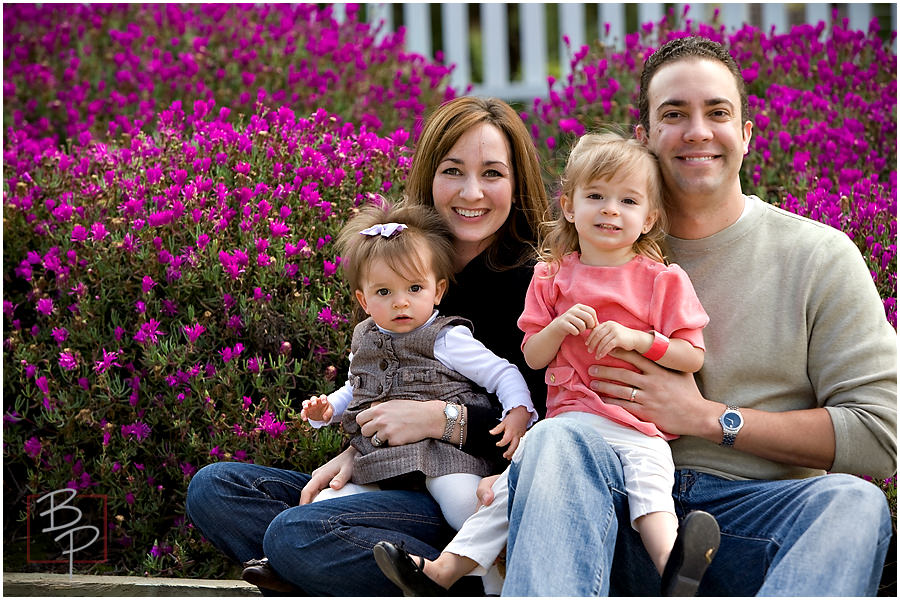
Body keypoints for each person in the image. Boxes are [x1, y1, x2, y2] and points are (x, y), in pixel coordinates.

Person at [499, 36, 897, 597]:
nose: (698, 131)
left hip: (749, 517)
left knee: (853, 502)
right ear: (644, 138)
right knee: (554, 442)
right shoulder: (584, 252)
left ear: (747, 134)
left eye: (718, 112)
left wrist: (711, 417)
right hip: (605, 511)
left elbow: (880, 434)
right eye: (674, 114)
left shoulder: (819, 257)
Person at [185, 96, 549, 595]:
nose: (472, 191)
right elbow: (372, 388)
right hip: (388, 484)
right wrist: (360, 449)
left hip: (471, 498)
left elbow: (548, 420)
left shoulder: (536, 282)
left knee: (296, 534)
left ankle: (451, 575)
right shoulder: (399, 272)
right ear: (428, 176)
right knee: (216, 490)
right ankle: (355, 572)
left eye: (492, 173)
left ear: (517, 183)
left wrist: (441, 420)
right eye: (453, 170)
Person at [372, 132, 720, 596]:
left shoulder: (661, 281)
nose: (610, 209)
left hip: (636, 425)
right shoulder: (552, 275)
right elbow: (533, 355)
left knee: (652, 488)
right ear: (570, 206)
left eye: (627, 200)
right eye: (595, 196)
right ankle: (441, 573)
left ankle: (674, 571)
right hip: (568, 424)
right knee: (505, 495)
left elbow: (691, 354)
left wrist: (639, 339)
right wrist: (560, 327)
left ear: (649, 217)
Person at [300, 202, 536, 532]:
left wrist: (518, 410)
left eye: (414, 288)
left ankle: (489, 572)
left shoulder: (446, 338)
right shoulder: (364, 337)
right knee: (323, 505)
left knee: (463, 504)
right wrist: (328, 410)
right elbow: (356, 387)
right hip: (380, 460)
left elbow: (502, 373)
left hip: (442, 456)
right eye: (384, 291)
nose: (401, 302)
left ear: (437, 291)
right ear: (364, 301)